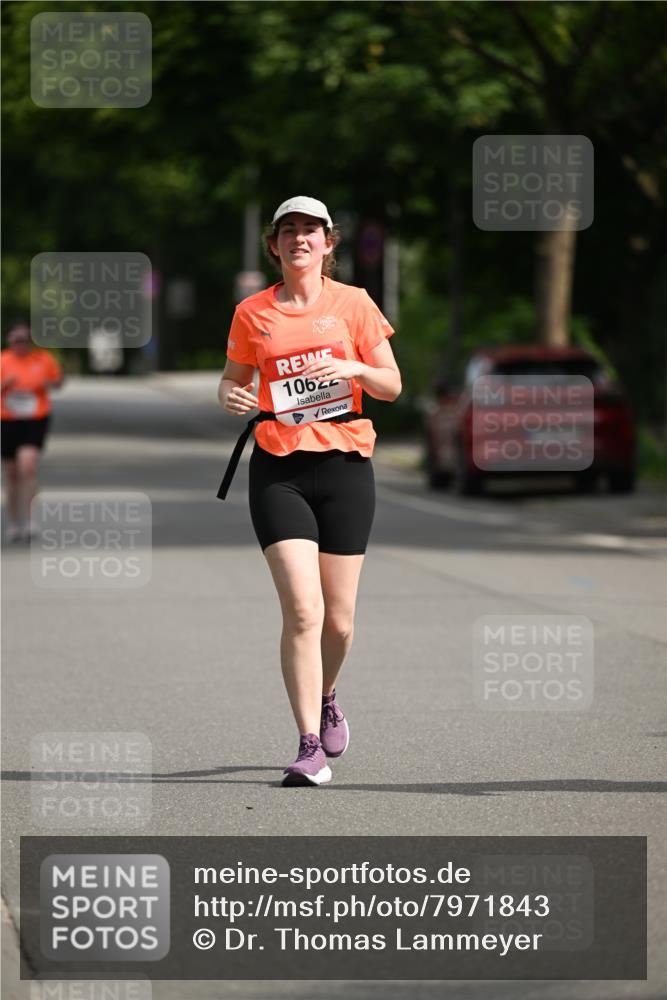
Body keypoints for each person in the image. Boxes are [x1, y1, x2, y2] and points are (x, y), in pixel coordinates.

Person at [217, 196, 401, 787]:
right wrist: (232, 397)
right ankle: (307, 746)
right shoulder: (252, 313)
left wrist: (352, 372)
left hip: (345, 464)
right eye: (289, 231)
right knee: (303, 610)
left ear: (328, 244)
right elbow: (232, 382)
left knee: (339, 622)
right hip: (278, 468)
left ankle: (327, 694)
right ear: (273, 245)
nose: (300, 239)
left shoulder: (355, 305)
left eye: (311, 230)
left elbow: (393, 385)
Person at [1, 323, 64, 542]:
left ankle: (30, 519)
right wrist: (4, 386)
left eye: (24, 340)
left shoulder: (43, 360)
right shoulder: (3, 361)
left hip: (36, 418)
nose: (20, 344)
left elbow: (59, 381)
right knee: (11, 474)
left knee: (27, 465)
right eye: (16, 340)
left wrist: (50, 383)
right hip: (8, 420)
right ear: (10, 342)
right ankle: (13, 521)